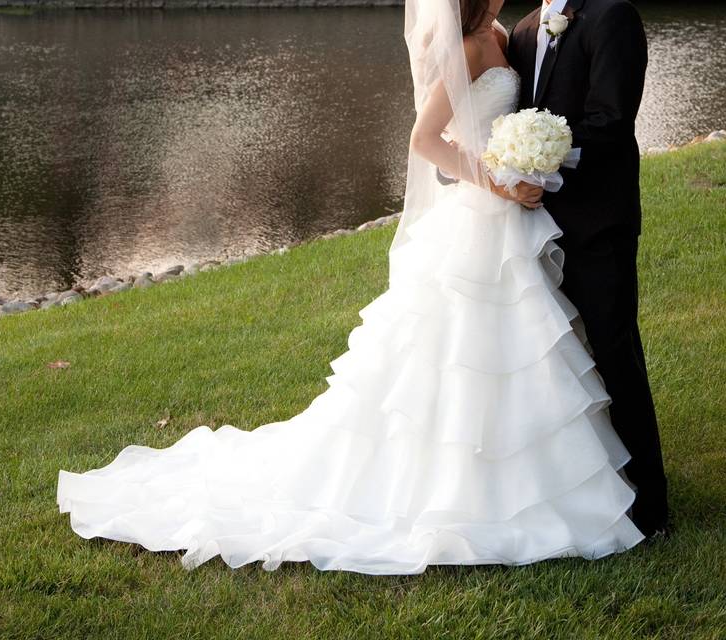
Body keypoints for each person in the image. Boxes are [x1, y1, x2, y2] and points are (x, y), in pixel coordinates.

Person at [56, 0, 647, 575]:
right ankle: (457, 487)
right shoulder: (468, 47)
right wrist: (496, 181)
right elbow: (425, 141)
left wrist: (524, 166)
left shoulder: (507, 36)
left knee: (524, 352)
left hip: (519, 222)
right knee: (463, 356)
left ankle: (540, 475)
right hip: (483, 217)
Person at [507, 0, 670, 537]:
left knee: (614, 352)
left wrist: (541, 165)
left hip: (599, 224)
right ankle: (584, 487)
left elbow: (612, 120)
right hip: (535, 229)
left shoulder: (611, 16)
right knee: (557, 360)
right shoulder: (525, 29)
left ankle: (649, 504)